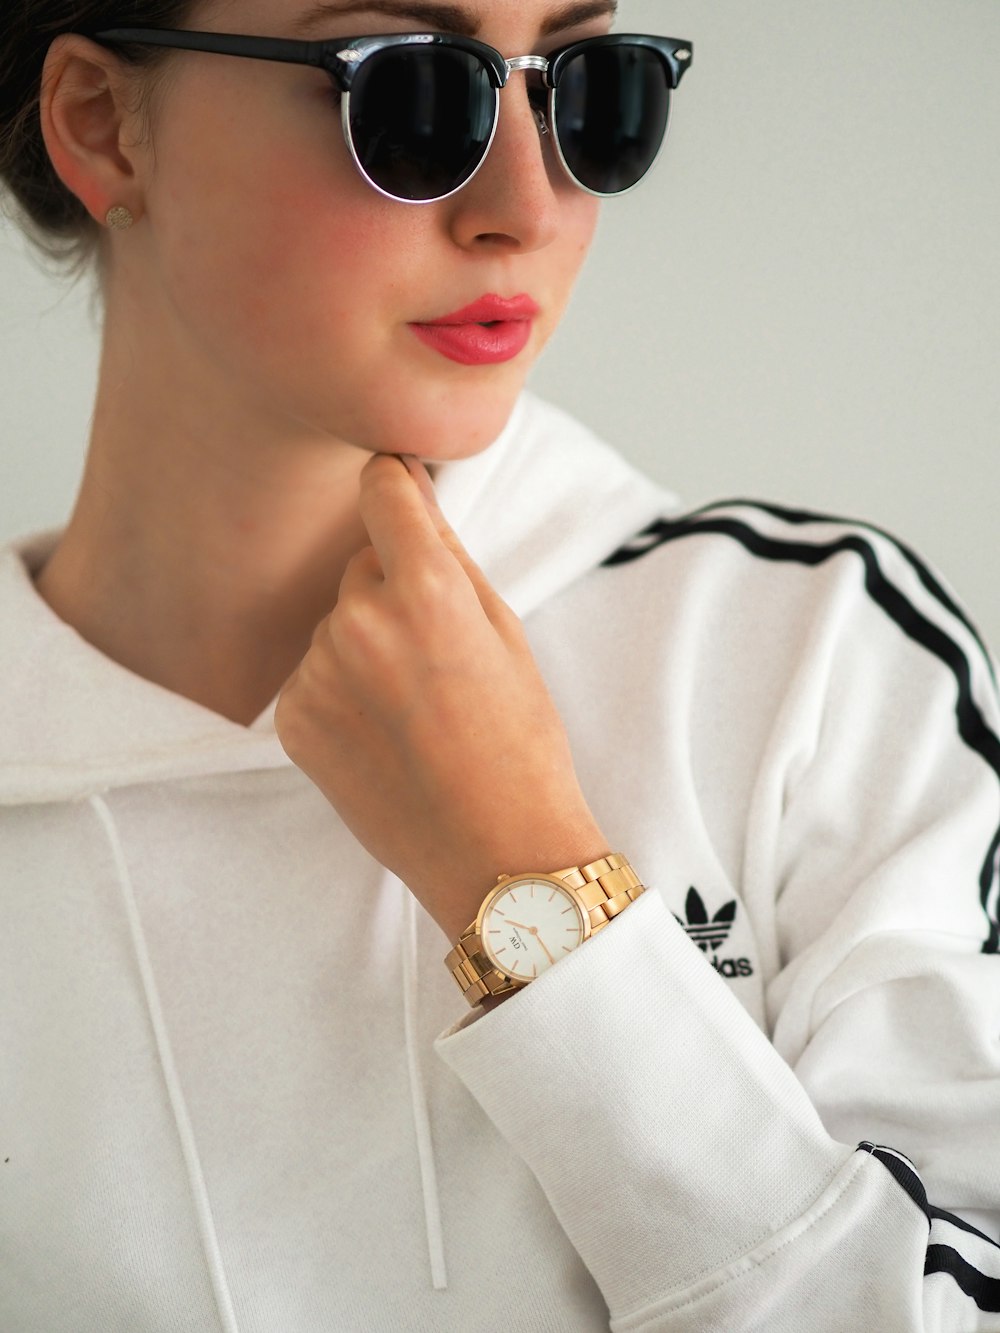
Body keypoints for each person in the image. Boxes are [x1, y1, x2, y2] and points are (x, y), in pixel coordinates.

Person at [1, 0, 998, 1329]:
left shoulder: (814, 670)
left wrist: (532, 900)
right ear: (101, 126)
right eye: (411, 91)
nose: (525, 205)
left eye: (589, 89)